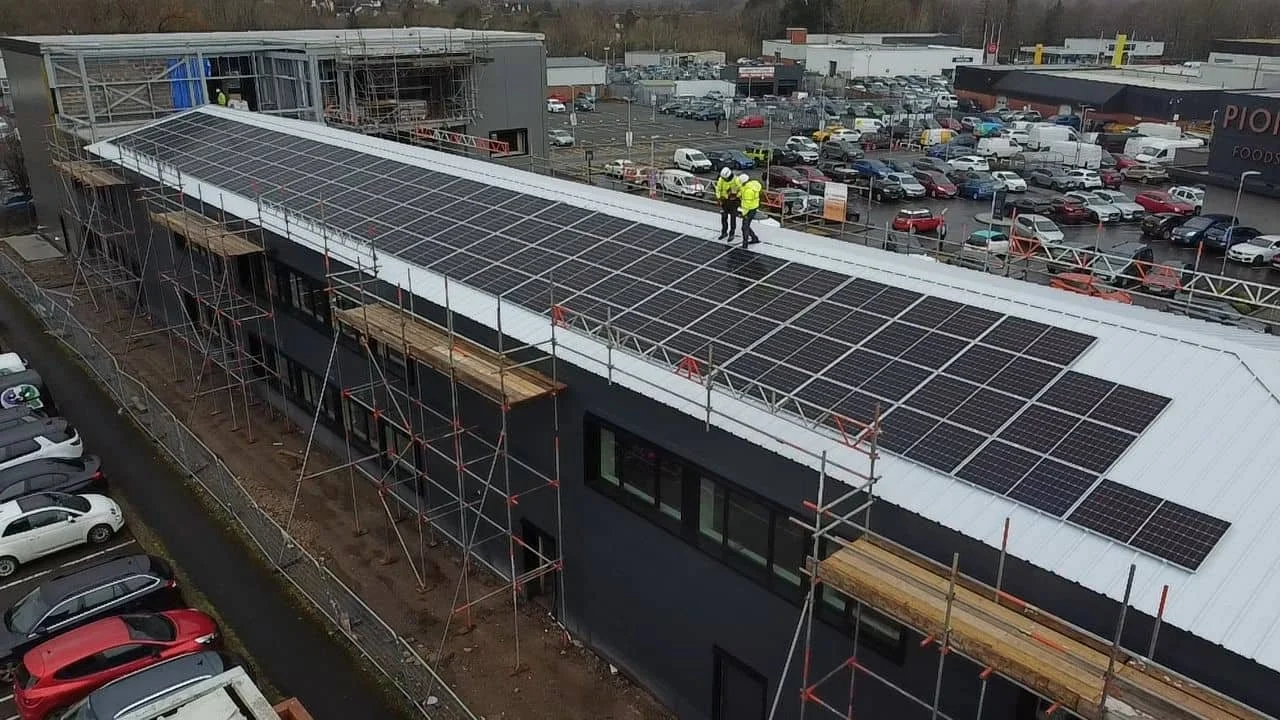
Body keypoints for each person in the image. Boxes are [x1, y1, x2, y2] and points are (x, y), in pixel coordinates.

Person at [714, 167, 741, 242]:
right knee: (724, 217)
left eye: (726, 178)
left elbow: (742, 189)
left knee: (733, 218)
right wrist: (719, 198)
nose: (725, 180)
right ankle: (724, 232)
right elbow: (718, 189)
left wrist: (736, 195)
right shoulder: (721, 179)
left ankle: (731, 234)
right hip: (725, 201)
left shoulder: (736, 180)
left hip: (734, 201)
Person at [737, 173, 763, 249]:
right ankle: (754, 238)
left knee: (744, 227)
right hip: (753, 208)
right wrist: (739, 194)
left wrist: (743, 214)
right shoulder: (751, 185)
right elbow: (742, 189)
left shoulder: (748, 191)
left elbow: (746, 205)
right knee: (746, 226)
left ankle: (745, 245)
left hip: (749, 210)